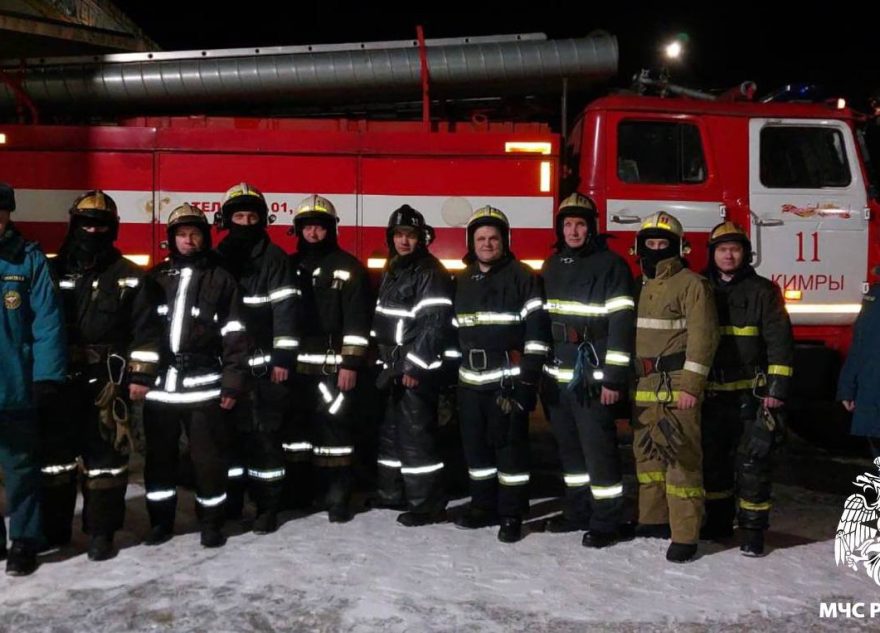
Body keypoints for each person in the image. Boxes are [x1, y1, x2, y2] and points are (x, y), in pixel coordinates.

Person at [41, 190, 158, 561]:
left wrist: (139, 376)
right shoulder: (50, 270)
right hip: (58, 379)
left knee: (106, 459)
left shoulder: (131, 277)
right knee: (54, 461)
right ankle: (54, 530)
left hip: (108, 381)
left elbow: (146, 333)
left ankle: (101, 532)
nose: (93, 230)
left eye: (101, 225)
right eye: (86, 223)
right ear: (74, 225)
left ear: (113, 229)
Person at [134, 203, 249, 548]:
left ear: (205, 238)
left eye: (195, 234)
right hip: (160, 389)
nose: (189, 240)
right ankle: (160, 523)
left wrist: (232, 382)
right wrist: (139, 375)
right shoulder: (155, 277)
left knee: (208, 461)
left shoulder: (221, 279)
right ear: (172, 239)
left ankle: (211, 522)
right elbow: (143, 331)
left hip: (203, 387)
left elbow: (235, 334)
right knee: (159, 461)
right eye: (182, 235)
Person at [541, 193, 634, 548]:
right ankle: (577, 511)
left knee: (599, 450)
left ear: (591, 227)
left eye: (580, 224)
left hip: (593, 374)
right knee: (570, 451)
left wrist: (614, 377)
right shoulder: (552, 265)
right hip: (558, 374)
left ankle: (606, 520)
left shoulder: (611, 265)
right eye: (568, 224)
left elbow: (621, 323)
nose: (574, 231)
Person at [452, 206, 549, 543]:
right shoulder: (462, 280)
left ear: (505, 240)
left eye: (494, 238)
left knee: (510, 451)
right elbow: (454, 333)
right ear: (471, 242)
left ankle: (511, 514)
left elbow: (537, 334)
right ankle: (482, 507)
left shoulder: (523, 276)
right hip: (469, 382)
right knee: (476, 451)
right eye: (481, 238)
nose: (487, 244)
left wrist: (527, 382)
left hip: (507, 381)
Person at [700, 221, 793, 557]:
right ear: (712, 254)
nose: (728, 255)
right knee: (713, 464)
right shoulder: (699, 288)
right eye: (722, 249)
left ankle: (753, 532)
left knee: (753, 464)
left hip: (751, 396)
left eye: (735, 249)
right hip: (711, 395)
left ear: (745, 253)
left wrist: (776, 389)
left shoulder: (763, 291)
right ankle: (717, 523)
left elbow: (779, 344)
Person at [631, 212, 719, 563]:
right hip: (644, 383)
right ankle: (653, 520)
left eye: (662, 244)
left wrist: (692, 387)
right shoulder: (640, 285)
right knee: (648, 457)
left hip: (677, 385)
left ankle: (685, 534)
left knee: (681, 460)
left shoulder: (692, 284)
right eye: (649, 244)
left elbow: (703, 339)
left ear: (678, 248)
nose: (655, 250)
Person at [216, 183, 298, 534]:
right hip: (227, 366)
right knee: (228, 440)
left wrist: (282, 358)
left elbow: (286, 311)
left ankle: (268, 508)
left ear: (262, 220)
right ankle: (233, 503)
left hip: (265, 366)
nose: (245, 222)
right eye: (239, 216)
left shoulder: (275, 259)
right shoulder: (218, 257)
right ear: (227, 219)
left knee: (265, 438)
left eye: (252, 216)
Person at [287, 194, 372, 522]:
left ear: (331, 230)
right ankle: (300, 493)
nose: (313, 234)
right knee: (297, 434)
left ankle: (337, 496)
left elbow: (357, 319)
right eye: (307, 228)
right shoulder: (290, 266)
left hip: (331, 365)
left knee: (334, 432)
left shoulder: (348, 267)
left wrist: (350, 363)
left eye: (319, 228)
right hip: (296, 368)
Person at [372, 205, 454, 526]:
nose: (404, 241)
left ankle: (426, 504)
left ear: (422, 239)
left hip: (413, 369)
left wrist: (414, 367)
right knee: (392, 433)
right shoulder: (394, 269)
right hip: (392, 365)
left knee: (416, 436)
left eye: (411, 235)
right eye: (399, 235)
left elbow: (433, 326)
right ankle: (392, 494)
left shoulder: (429, 271)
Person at [0, 182, 66, 575]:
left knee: (21, 468)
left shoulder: (28, 260)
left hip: (15, 385)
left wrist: (46, 376)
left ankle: (24, 540)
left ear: (9, 215)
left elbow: (48, 322)